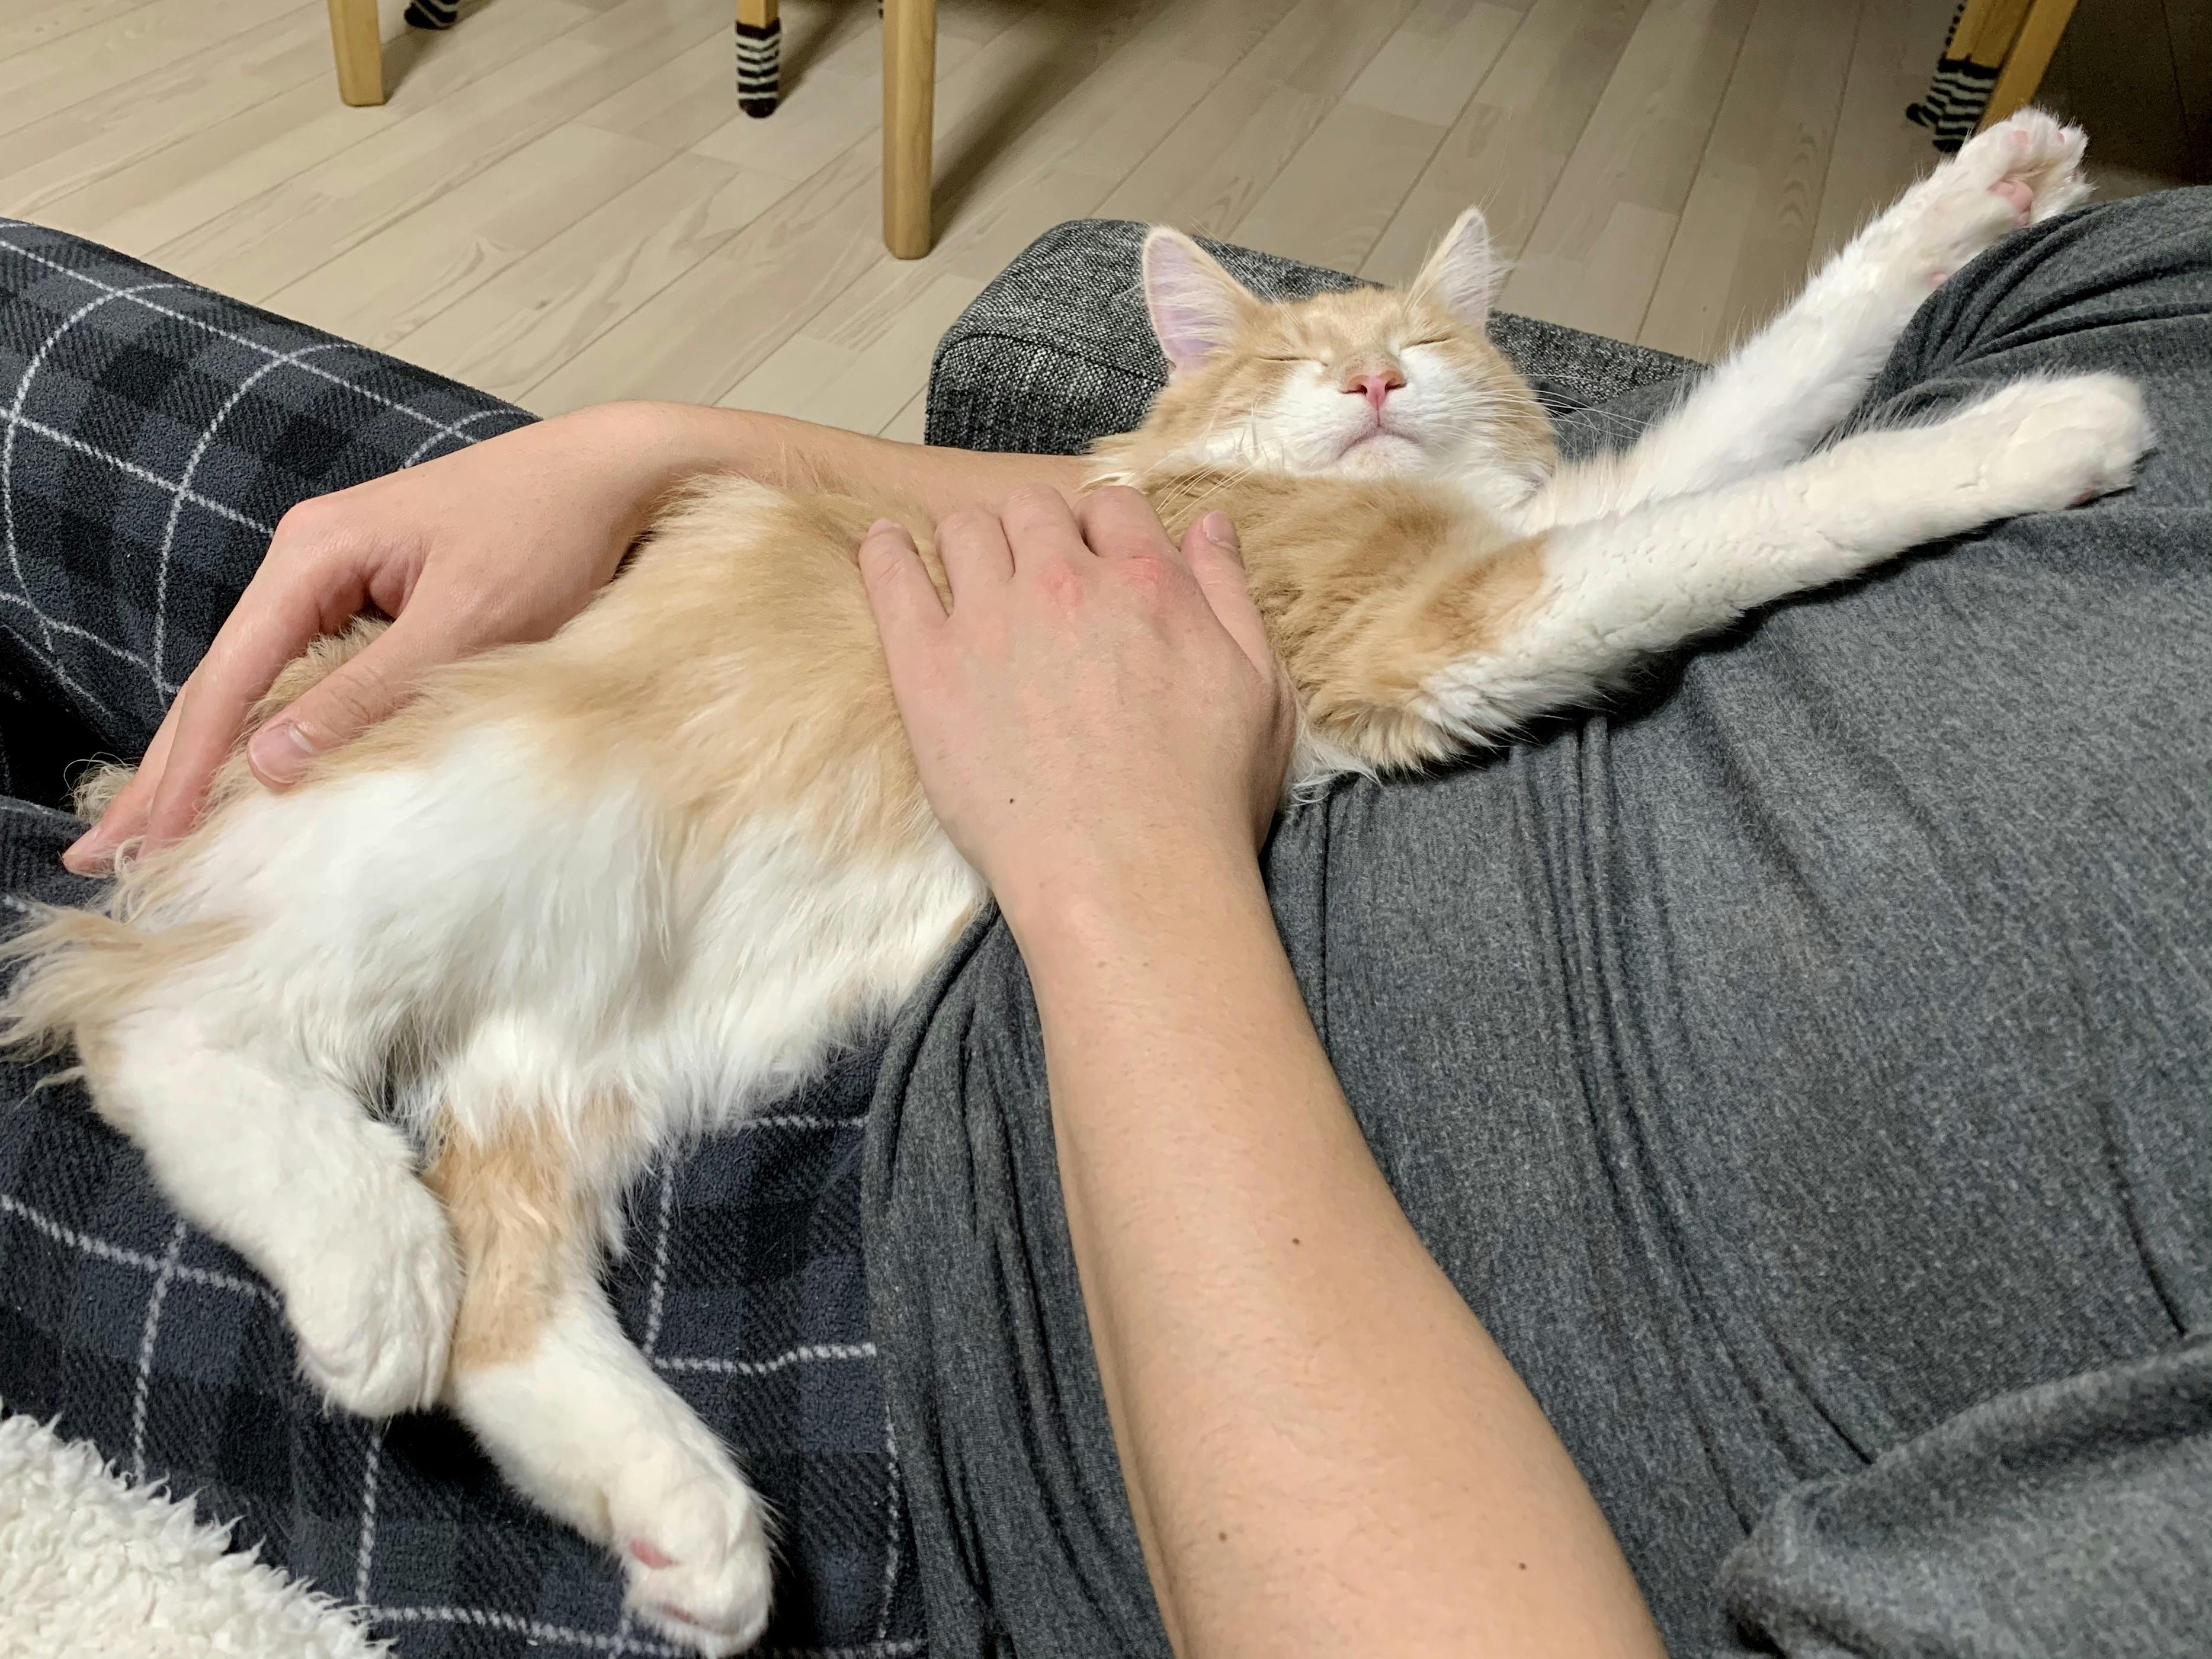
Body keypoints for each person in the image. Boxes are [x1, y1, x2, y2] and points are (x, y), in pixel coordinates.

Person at [4, 183, 2208, 1659]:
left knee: (393, 970)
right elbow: (1185, 505)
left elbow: (1538, 572)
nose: (1376, 378)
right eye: (1331, 361)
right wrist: (660, 445)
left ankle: (412, 1217)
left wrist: (1126, 856)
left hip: (975, 1293)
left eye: (1417, 353)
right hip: (846, 716)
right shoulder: (2164, 283)